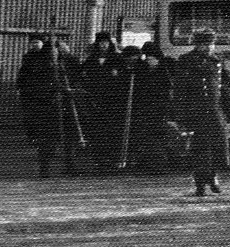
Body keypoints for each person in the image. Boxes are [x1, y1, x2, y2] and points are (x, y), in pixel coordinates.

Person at [174, 29, 230, 197]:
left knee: (218, 146)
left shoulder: (217, 60)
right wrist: (180, 114)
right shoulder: (186, 60)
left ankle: (212, 176)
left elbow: (227, 80)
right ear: (196, 45)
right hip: (195, 110)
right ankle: (200, 184)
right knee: (200, 149)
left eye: (210, 44)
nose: (207, 47)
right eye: (204, 44)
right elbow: (180, 89)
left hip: (215, 110)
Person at [17, 37, 74, 178]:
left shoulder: (62, 64)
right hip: (44, 107)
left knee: (64, 137)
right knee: (46, 139)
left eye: (56, 50)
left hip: (61, 106)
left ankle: (68, 165)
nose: (55, 53)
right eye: (52, 50)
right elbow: (32, 83)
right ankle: (45, 167)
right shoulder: (40, 66)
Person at [124, 42, 173, 171]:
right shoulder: (143, 70)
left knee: (156, 135)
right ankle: (148, 161)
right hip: (145, 108)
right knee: (146, 135)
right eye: (147, 58)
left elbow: (166, 90)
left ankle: (158, 163)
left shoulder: (163, 70)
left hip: (158, 109)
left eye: (152, 58)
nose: (149, 61)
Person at [82, 31, 126, 167]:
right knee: (97, 130)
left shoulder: (117, 58)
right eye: (101, 43)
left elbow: (124, 77)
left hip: (113, 101)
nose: (103, 45)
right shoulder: (91, 59)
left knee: (112, 129)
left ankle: (112, 158)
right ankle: (98, 159)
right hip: (95, 99)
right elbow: (84, 75)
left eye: (106, 43)